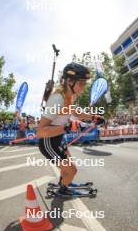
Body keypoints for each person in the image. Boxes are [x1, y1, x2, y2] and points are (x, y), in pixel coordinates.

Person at [37, 62, 103, 196]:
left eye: (85, 84)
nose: (83, 88)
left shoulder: (70, 96)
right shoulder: (57, 99)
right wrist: (66, 127)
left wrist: (93, 117)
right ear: (69, 81)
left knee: (68, 169)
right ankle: (63, 188)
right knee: (72, 171)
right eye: (81, 84)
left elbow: (75, 111)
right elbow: (40, 131)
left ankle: (65, 182)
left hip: (59, 138)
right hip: (48, 142)